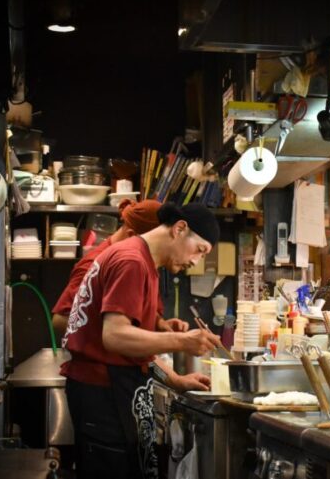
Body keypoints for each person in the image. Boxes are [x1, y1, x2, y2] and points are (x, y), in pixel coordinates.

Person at [61, 202, 223, 479]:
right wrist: (182, 341)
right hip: (104, 396)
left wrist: (176, 380)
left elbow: (135, 349)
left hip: (114, 390)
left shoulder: (143, 261)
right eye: (200, 250)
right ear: (180, 229)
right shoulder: (132, 261)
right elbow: (115, 338)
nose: (197, 261)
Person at [52, 199, 184, 335]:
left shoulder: (144, 262)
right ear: (133, 236)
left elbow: (137, 306)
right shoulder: (94, 264)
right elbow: (61, 320)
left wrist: (158, 323)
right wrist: (114, 335)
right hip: (105, 356)